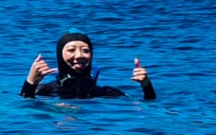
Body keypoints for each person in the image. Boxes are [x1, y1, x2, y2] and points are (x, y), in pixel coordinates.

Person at [21, 31, 155, 100]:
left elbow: (147, 104)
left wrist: (146, 85)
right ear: (60, 55)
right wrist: (30, 83)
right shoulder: (43, 91)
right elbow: (24, 109)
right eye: (71, 50)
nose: (79, 55)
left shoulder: (106, 92)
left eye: (85, 50)